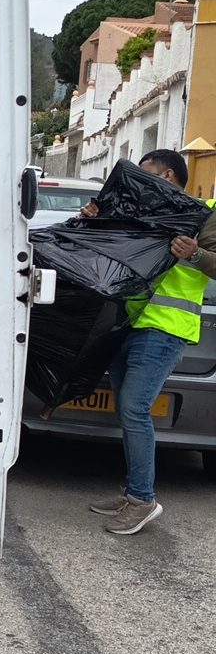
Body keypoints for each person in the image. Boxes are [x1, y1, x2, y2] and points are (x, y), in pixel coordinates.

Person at [81, 149, 216, 535]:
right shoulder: (144, 210)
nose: (141, 181)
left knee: (134, 407)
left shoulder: (203, 214)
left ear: (168, 175)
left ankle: (143, 499)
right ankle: (132, 492)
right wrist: (92, 220)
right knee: (129, 411)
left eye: (147, 173)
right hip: (128, 323)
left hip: (165, 328)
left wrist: (196, 255)